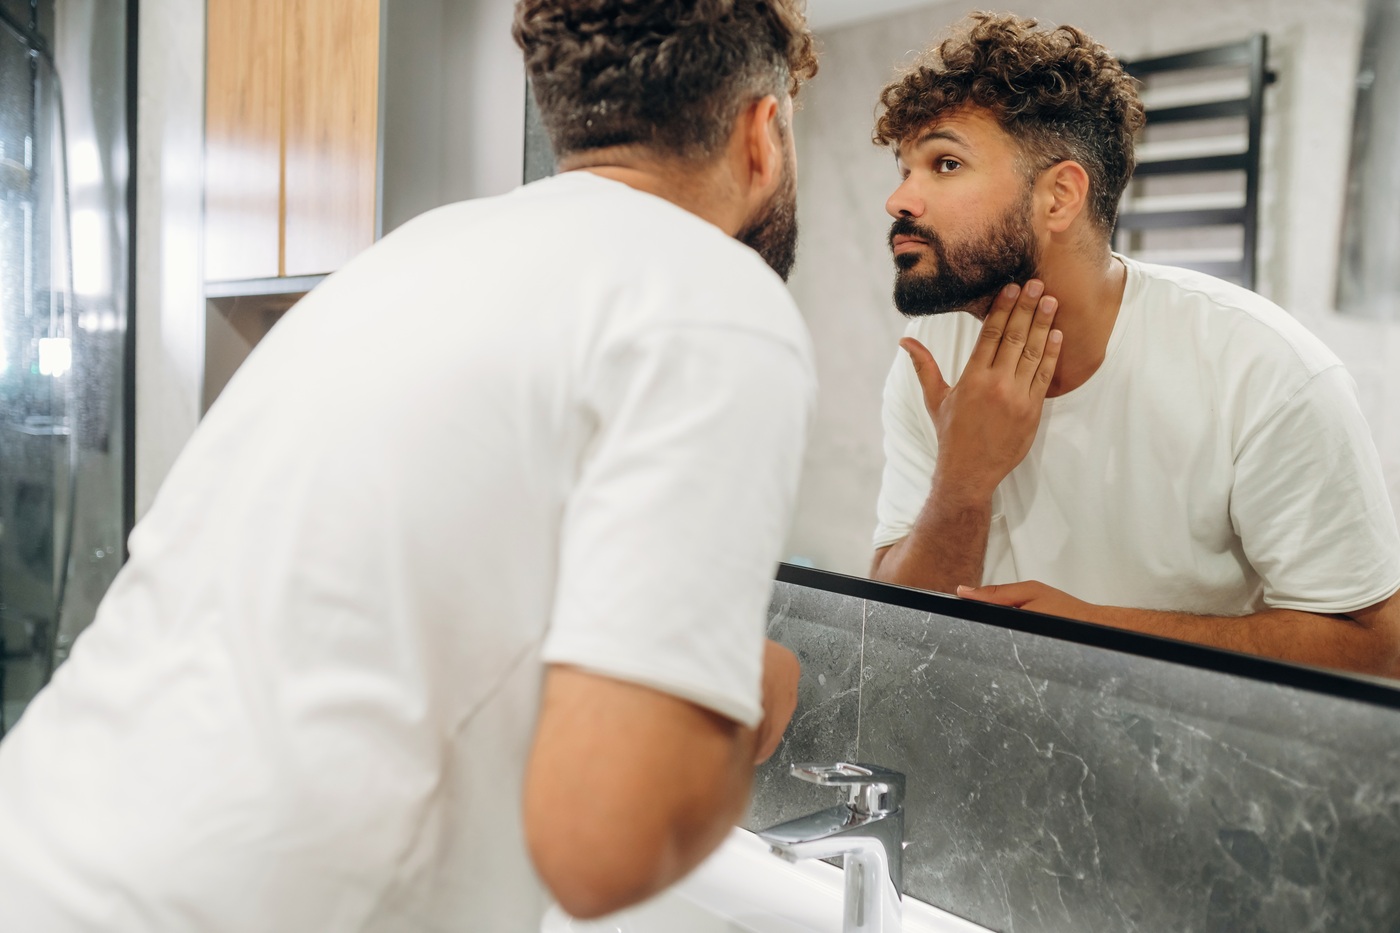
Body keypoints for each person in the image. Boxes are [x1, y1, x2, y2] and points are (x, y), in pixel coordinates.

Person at [0, 1, 820, 929]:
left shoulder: (405, 259)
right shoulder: (714, 299)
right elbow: (604, 843)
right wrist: (739, 701)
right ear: (763, 131)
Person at [868, 13, 1400, 676]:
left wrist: (1099, 633)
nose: (898, 200)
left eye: (945, 163)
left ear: (1059, 196)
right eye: (904, 169)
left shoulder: (1266, 370)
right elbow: (892, 630)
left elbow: (1379, 646)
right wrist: (961, 484)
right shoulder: (931, 352)